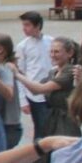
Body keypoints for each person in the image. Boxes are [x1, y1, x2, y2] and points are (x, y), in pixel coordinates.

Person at [11, 36, 82, 163]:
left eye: (57, 51)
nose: (53, 55)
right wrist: (19, 73)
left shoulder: (69, 72)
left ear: (69, 53)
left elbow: (39, 89)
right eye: (51, 51)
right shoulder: (54, 72)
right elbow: (35, 87)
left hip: (65, 124)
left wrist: (17, 74)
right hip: (52, 122)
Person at [15, 11, 54, 148]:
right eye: (23, 25)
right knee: (41, 129)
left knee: (53, 127)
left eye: (28, 25)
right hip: (34, 95)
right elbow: (20, 73)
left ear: (37, 26)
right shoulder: (22, 46)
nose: (24, 28)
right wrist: (23, 100)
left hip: (51, 90)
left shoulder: (51, 42)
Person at [0, 33, 23, 149]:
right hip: (7, 122)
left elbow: (9, 94)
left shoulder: (6, 68)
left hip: (8, 123)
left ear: (0, 49)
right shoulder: (1, 67)